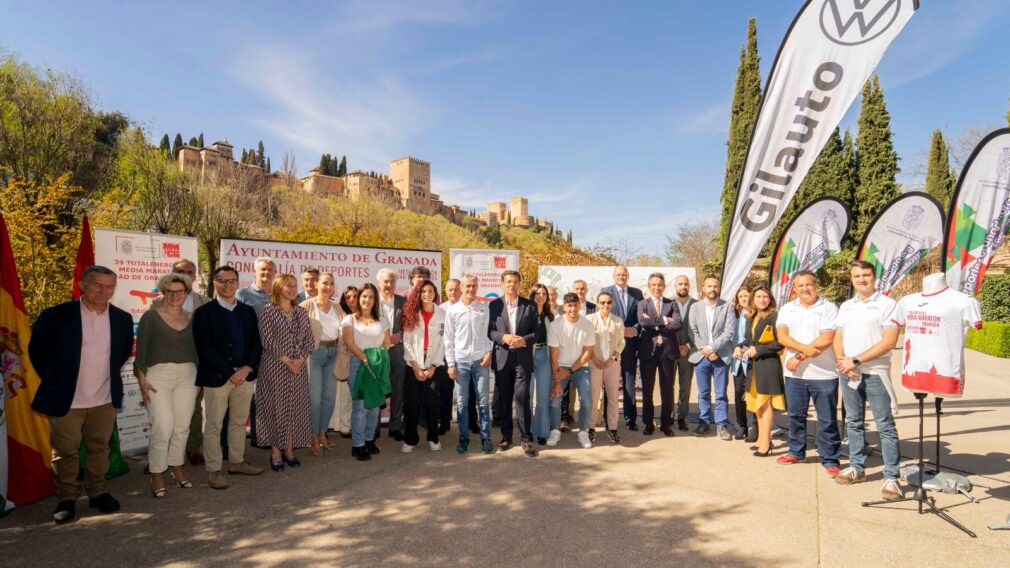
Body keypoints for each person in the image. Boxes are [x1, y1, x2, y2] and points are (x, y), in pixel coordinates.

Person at [29, 265, 134, 524]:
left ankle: (98, 492)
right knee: (66, 451)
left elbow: (120, 354)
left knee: (99, 447)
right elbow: (38, 352)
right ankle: (66, 497)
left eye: (109, 286)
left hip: (104, 398)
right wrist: (58, 380)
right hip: (67, 399)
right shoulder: (57, 315)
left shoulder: (121, 318)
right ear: (82, 285)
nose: (103, 291)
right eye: (97, 285)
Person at [832, 261, 902, 500]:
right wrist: (843, 361)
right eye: (856, 276)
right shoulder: (846, 306)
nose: (861, 279)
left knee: (885, 425)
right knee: (853, 422)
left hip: (875, 373)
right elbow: (838, 336)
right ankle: (856, 467)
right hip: (849, 372)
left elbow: (889, 342)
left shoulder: (888, 304)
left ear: (875, 277)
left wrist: (856, 361)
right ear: (851, 278)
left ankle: (891, 477)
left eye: (866, 275)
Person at [193, 265, 264, 490]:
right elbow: (205, 348)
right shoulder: (204, 313)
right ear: (214, 283)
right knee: (213, 424)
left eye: (232, 281)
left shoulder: (247, 311)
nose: (227, 285)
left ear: (237, 283)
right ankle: (214, 470)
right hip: (217, 377)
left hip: (245, 376)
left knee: (238, 421)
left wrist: (246, 368)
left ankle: (236, 461)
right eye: (222, 281)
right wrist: (230, 372)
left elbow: (256, 343)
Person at [135, 273, 200, 498]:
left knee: (182, 426)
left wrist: (199, 379)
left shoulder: (193, 318)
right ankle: (157, 472)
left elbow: (198, 351)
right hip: (157, 376)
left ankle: (177, 467)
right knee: (163, 424)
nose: (175, 295)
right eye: (170, 291)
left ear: (186, 293)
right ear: (163, 292)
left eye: (179, 291)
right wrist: (141, 378)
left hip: (188, 376)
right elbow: (141, 351)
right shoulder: (150, 317)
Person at [775, 271, 841, 476]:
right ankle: (796, 451)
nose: (805, 289)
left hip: (824, 374)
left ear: (816, 285)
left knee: (827, 419)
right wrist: (805, 350)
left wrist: (799, 356)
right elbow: (782, 337)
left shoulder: (829, 307)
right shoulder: (787, 309)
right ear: (794, 288)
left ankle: (830, 458)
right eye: (800, 286)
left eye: (808, 284)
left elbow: (827, 337)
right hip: (795, 376)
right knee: (795, 416)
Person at [149, 258, 210, 466]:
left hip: (194, 366)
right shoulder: (157, 303)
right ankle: (160, 456)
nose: (186, 274)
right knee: (163, 417)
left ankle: (194, 448)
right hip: (164, 368)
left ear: (194, 276)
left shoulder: (206, 302)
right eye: (180, 271)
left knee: (193, 410)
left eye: (190, 272)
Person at [257, 274, 316, 471]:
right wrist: (286, 361)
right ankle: (276, 451)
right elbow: (267, 340)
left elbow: (309, 339)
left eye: (294, 286)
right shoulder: (268, 311)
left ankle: (289, 450)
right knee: (276, 409)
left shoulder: (300, 312)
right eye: (287, 285)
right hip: (275, 367)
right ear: (278, 288)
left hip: (298, 368)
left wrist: (299, 360)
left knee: (294, 409)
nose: (292, 289)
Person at [488, 270, 539, 457]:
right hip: (502, 359)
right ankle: (506, 436)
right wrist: (504, 337)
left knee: (523, 397)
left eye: (515, 281)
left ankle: (526, 439)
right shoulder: (494, 305)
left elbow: (537, 333)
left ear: (520, 284)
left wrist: (523, 340)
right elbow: (490, 332)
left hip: (523, 360)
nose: (512, 285)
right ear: (502, 284)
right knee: (505, 399)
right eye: (508, 282)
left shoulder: (530, 305)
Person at [445, 274, 494, 454]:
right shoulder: (453, 310)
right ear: (461, 288)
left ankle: (486, 437)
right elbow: (448, 339)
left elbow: (489, 332)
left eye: (474, 286)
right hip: (461, 362)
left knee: (483, 402)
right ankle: (463, 437)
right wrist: (451, 363)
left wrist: (489, 352)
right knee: (462, 403)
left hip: (481, 361)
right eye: (467, 286)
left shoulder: (483, 308)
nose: (471, 289)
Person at [341, 282, 391, 460]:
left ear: (375, 300)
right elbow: (350, 343)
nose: (367, 300)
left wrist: (378, 359)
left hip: (377, 365)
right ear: (358, 298)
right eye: (364, 296)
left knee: (375, 406)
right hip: (359, 365)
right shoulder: (350, 320)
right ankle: (358, 444)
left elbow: (386, 343)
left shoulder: (382, 320)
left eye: (371, 297)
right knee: (361, 407)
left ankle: (370, 440)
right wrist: (365, 358)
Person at [686, 276, 736, 440]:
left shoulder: (727, 306)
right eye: (709, 286)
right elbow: (692, 331)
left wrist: (712, 348)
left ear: (718, 288)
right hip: (701, 357)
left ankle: (721, 425)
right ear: (703, 288)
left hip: (720, 356)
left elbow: (728, 332)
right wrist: (705, 349)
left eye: (715, 286)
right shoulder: (695, 307)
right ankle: (704, 423)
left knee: (720, 393)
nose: (712, 289)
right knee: (703, 393)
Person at [301, 273, 345, 455]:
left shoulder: (337, 306)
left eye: (331, 283)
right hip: (315, 354)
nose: (328, 286)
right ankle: (312, 436)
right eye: (325, 283)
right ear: (317, 284)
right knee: (315, 398)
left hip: (333, 353)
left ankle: (322, 432)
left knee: (329, 398)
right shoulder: (305, 306)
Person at [401, 280, 446, 452]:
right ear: (418, 294)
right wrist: (415, 366)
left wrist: (433, 366)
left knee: (432, 402)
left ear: (435, 294)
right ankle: (410, 439)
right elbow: (407, 342)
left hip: (434, 363)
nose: (427, 294)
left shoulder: (442, 314)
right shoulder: (411, 313)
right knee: (411, 403)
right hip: (413, 364)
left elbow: (443, 342)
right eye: (423, 291)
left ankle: (433, 437)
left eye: (430, 291)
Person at [546, 293, 596, 448]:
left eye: (575, 305)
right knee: (555, 400)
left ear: (579, 305)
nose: (572, 308)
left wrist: (571, 370)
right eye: (569, 305)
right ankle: (555, 430)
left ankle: (583, 432)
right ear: (564, 307)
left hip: (581, 367)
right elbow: (553, 356)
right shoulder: (556, 325)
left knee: (587, 402)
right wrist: (556, 381)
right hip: (560, 366)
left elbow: (587, 352)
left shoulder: (587, 325)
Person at [740, 285, 785, 457]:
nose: (761, 300)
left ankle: (766, 443)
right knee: (758, 405)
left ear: (770, 299)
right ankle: (761, 438)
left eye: (765, 297)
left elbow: (780, 342)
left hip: (768, 365)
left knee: (765, 405)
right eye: (758, 296)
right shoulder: (753, 316)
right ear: (753, 299)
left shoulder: (774, 316)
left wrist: (757, 350)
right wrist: (739, 347)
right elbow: (749, 340)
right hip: (755, 366)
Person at [636, 273, 682, 436]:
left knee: (667, 389)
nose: (657, 287)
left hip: (667, 353)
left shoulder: (672, 303)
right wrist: (664, 319)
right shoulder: (642, 304)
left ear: (664, 286)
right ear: (649, 286)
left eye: (660, 285)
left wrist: (654, 323)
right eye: (654, 285)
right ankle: (648, 422)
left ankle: (666, 423)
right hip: (648, 351)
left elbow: (677, 324)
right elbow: (642, 322)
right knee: (647, 390)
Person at [600, 265, 643, 431]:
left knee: (629, 382)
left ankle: (630, 419)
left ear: (628, 276)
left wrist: (636, 329)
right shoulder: (606, 291)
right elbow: (602, 317)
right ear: (613, 276)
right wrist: (619, 329)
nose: (621, 277)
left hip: (631, 345)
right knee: (608, 383)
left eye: (624, 274)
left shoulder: (637, 293)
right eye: (619, 274)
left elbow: (642, 317)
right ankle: (607, 418)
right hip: (610, 346)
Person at [587, 291, 626, 444]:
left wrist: (613, 358)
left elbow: (622, 342)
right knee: (593, 397)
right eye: (602, 302)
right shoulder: (589, 320)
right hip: (594, 362)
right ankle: (590, 427)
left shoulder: (617, 321)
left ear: (612, 304)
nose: (605, 305)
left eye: (608, 302)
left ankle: (612, 427)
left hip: (612, 364)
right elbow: (585, 342)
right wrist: (594, 359)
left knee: (613, 397)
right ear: (597, 304)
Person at [560, 279, 597, 431]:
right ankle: (565, 418)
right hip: (568, 355)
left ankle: (588, 422)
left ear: (587, 291)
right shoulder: (563, 309)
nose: (580, 291)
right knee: (566, 390)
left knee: (587, 392)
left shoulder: (594, 308)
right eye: (577, 289)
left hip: (588, 355)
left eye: (583, 289)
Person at [439, 278, 474, 435]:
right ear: (445, 291)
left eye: (456, 289)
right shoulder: (439, 309)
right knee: (445, 390)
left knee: (469, 391)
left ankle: (472, 422)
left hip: (465, 355)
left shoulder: (470, 307)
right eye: (450, 290)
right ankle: (445, 421)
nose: (453, 292)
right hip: (445, 356)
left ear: (461, 290)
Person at [376, 268, 406, 441]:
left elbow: (410, 325)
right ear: (379, 282)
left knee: (397, 390)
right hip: (378, 351)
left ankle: (395, 426)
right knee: (377, 390)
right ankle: (374, 427)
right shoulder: (371, 301)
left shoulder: (404, 301)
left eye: (392, 281)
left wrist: (400, 336)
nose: (389, 284)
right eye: (385, 281)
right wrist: (383, 339)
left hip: (398, 351)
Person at [730, 286, 757, 442]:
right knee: (738, 393)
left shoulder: (756, 316)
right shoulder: (735, 316)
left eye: (746, 295)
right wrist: (735, 348)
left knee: (752, 394)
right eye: (741, 296)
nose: (744, 299)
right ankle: (742, 425)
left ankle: (755, 426)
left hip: (751, 360)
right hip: (737, 361)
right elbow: (730, 336)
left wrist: (743, 348)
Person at [331, 287, 358, 438]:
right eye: (348, 297)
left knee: (354, 395)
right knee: (343, 395)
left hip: (359, 359)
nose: (352, 299)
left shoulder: (365, 315)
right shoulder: (339, 314)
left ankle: (353, 425)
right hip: (343, 358)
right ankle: (344, 426)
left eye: (355, 296)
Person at [529, 283, 555, 445]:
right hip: (528, 356)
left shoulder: (549, 317)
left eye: (544, 294)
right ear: (532, 296)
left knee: (543, 396)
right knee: (528, 395)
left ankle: (542, 432)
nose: (541, 296)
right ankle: (528, 432)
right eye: (538, 293)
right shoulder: (525, 313)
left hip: (544, 355)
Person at [671, 275, 696, 431]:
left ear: (689, 286)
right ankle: (668, 414)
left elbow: (699, 330)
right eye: (680, 283)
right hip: (670, 352)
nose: (683, 286)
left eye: (685, 284)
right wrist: (674, 346)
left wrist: (688, 345)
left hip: (688, 352)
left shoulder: (697, 305)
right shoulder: (667, 303)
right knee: (668, 386)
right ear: (675, 285)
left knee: (685, 386)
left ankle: (682, 416)